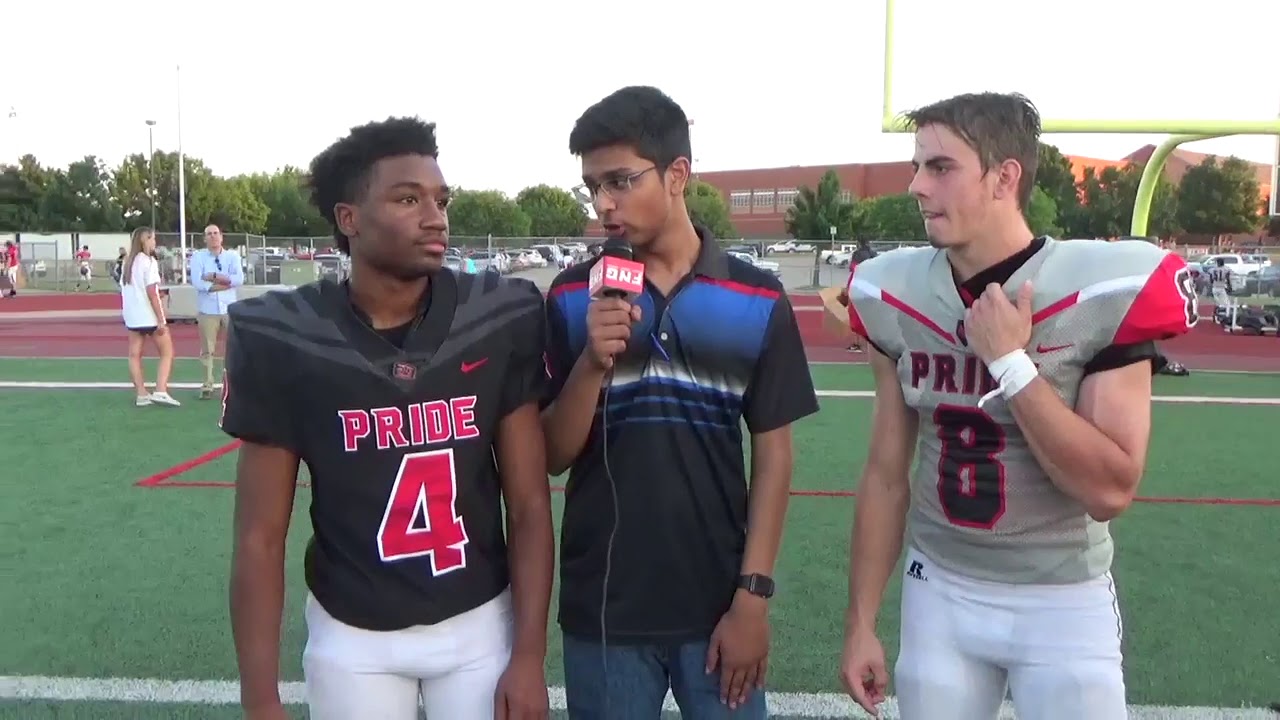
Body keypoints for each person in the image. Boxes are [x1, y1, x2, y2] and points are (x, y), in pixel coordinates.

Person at [838, 92, 1199, 720]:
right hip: (940, 590)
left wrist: (1010, 363)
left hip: (1061, 598)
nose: (917, 187)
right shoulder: (893, 292)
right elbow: (886, 473)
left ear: (1005, 176)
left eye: (941, 167)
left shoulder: (1099, 288)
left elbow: (1109, 489)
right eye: (916, 166)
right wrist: (861, 619)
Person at [221, 117, 553, 720]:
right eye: (408, 198)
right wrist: (260, 697)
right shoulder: (289, 336)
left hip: (479, 621)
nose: (436, 217)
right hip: (354, 634)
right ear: (349, 219)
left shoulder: (497, 315)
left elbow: (529, 504)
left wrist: (529, 655)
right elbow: (259, 536)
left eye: (441, 200)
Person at [541, 85, 820, 719]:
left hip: (718, 607)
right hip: (604, 608)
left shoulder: (757, 297)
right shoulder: (568, 295)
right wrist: (591, 361)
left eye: (619, 181)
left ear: (678, 175)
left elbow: (774, 456)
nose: (602, 205)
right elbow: (553, 455)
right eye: (591, 187)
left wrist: (753, 596)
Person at [119, 227, 181, 407]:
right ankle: (161, 389)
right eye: (152, 239)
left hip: (132, 316)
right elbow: (152, 292)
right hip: (148, 316)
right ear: (145, 240)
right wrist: (162, 319)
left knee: (134, 355)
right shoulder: (149, 261)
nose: (155, 242)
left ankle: (141, 393)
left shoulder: (127, 263)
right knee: (167, 352)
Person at [188, 224, 244, 399]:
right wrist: (224, 284)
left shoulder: (232, 256)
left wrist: (213, 276)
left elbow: (238, 279)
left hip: (229, 308)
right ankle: (207, 385)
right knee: (207, 350)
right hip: (208, 310)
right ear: (204, 238)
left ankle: (235, 385)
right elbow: (198, 283)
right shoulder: (198, 257)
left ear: (221, 236)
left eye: (215, 233)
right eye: (209, 234)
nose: (213, 237)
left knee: (234, 348)